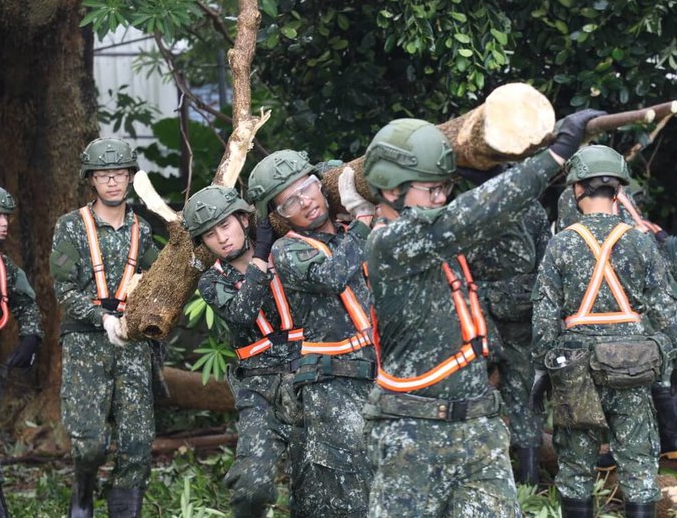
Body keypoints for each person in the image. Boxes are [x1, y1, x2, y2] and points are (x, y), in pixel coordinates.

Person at [360, 112, 600, 517]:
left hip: (478, 429)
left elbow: (494, 218)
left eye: (446, 188)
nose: (441, 198)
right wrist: (554, 158)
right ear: (389, 188)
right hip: (412, 436)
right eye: (430, 189)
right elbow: (475, 212)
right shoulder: (390, 245)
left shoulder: (444, 241)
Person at [531, 145, 677, 517]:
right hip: (631, 366)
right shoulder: (640, 240)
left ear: (575, 190)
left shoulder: (561, 243)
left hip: (576, 371)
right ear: (618, 191)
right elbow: (666, 306)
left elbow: (544, 315)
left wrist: (542, 368)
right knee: (638, 465)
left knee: (575, 469)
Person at [246, 150, 376, 517]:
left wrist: (352, 206)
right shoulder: (289, 250)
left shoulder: (347, 235)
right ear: (280, 216)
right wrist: (365, 220)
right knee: (349, 491)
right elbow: (331, 277)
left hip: (377, 373)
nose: (305, 202)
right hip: (332, 385)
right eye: (290, 202)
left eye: (307, 189)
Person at [50, 138, 158, 518]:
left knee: (137, 441)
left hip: (131, 344)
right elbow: (63, 288)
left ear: (130, 178)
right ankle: (81, 494)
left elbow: (157, 282)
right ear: (91, 180)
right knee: (89, 442)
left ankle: (124, 509)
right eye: (103, 175)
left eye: (119, 174)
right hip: (85, 340)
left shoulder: (143, 229)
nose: (112, 182)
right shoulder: (70, 226)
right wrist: (102, 318)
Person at [182, 185, 303, 518]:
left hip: (309, 377)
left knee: (314, 493)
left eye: (225, 225)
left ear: (243, 220)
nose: (221, 238)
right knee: (252, 486)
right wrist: (261, 258)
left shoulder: (289, 249)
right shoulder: (212, 281)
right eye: (210, 235)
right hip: (259, 388)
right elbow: (242, 312)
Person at [557, 182, 677, 463]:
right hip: (642, 288)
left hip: (613, 293)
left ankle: (621, 451)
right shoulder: (622, 192)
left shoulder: (575, 195)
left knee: (619, 370)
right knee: (655, 361)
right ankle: (673, 442)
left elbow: (575, 240)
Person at [456, 169, 551, 484]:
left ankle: (511, 482)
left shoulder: (469, 206)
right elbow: (545, 268)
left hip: (481, 318)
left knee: (478, 397)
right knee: (523, 402)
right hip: (495, 319)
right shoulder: (529, 208)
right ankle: (527, 483)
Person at [0, 183, 43, 517]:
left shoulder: (4, 267)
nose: (5, 222)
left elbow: (27, 304)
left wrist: (30, 338)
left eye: (6, 216)